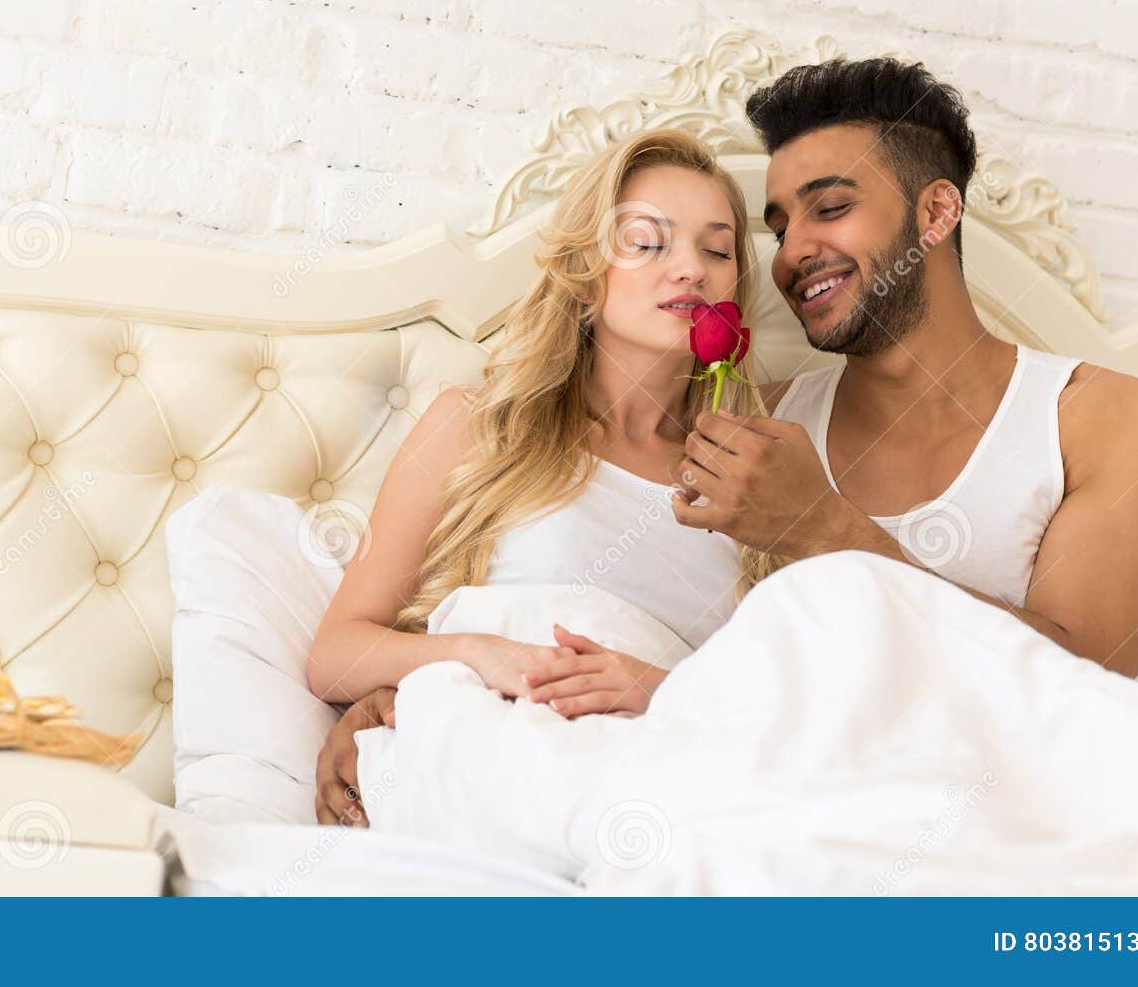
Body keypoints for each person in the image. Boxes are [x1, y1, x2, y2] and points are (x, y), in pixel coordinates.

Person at [305, 128, 788, 825]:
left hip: (669, 797)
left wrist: (656, 687)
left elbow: (773, 709)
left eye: (716, 250)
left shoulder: (753, 472)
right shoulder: (476, 426)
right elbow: (335, 655)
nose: (691, 268)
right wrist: (482, 656)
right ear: (589, 272)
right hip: (502, 773)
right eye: (650, 241)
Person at [668, 56, 1138, 677]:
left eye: (830, 208)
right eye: (780, 231)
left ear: (938, 213)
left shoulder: (1107, 420)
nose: (793, 254)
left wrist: (824, 528)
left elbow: (1081, 688)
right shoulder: (761, 426)